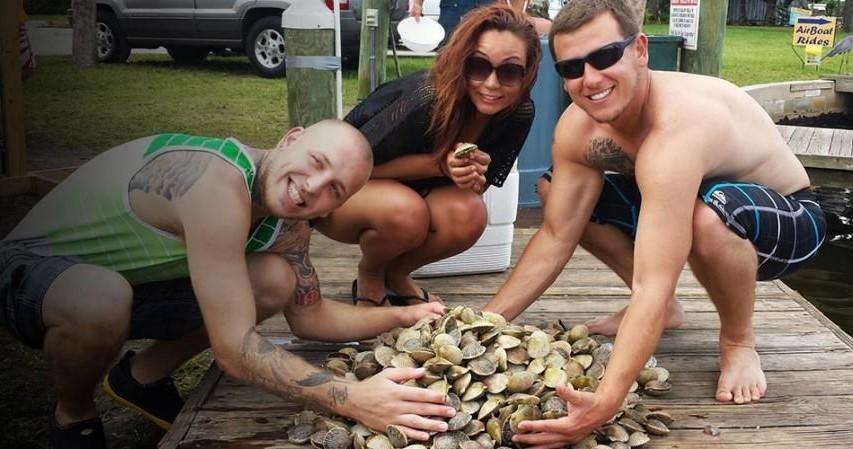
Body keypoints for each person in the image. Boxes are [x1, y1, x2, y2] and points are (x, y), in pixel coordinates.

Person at [483, 0, 826, 445]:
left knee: (707, 218)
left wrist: (605, 401)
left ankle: (738, 342)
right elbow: (554, 235)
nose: (590, 79)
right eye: (571, 67)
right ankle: (666, 316)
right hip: (694, 199)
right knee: (556, 193)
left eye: (605, 56)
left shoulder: (677, 129)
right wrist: (485, 322)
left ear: (640, 49)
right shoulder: (578, 127)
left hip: (789, 220)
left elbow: (654, 281)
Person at [0, 120, 453, 449]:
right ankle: (73, 412)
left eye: (335, 190)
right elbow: (234, 352)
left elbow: (310, 316)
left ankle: (141, 376)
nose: (312, 188)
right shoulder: (213, 181)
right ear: (290, 138)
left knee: (277, 278)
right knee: (100, 298)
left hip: (131, 283)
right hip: (30, 271)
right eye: (315, 163)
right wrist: (353, 398)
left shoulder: (291, 225)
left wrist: (402, 314)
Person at [315, 5, 540, 307]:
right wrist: (437, 165)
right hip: (334, 193)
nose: (491, 84)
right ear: (461, 61)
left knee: (470, 214)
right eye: (478, 66)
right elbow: (343, 167)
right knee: (407, 212)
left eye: (510, 71)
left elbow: (474, 192)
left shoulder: (518, 113)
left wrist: (470, 174)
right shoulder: (426, 98)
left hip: (409, 197)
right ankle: (370, 274)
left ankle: (396, 276)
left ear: (528, 72)